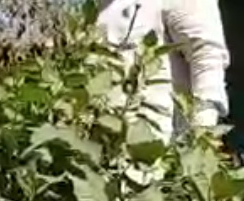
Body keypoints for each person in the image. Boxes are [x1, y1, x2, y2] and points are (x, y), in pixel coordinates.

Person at [96, 0, 230, 141]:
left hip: (159, 144)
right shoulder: (102, 6)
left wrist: (201, 136)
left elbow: (206, 57)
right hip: (109, 143)